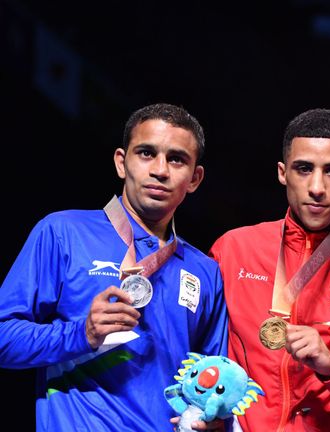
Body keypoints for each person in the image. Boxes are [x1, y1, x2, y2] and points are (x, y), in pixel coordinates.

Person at [0, 103, 228, 430]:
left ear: (195, 178)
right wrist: (81, 333)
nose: (160, 170)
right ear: (122, 163)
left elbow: (215, 379)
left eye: (176, 159)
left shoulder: (205, 272)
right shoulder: (64, 233)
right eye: (146, 153)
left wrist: (215, 418)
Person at [209, 108, 330, 431]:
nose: (317, 187)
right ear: (281, 172)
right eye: (303, 169)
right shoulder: (233, 251)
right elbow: (201, 361)